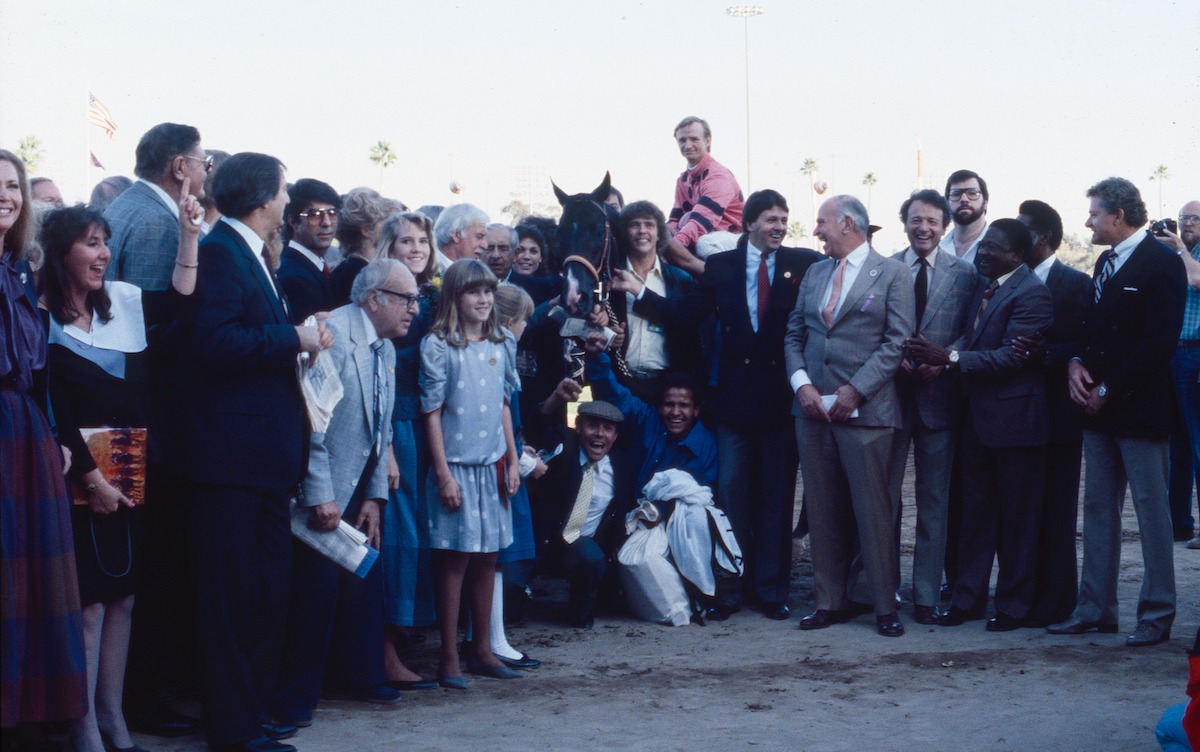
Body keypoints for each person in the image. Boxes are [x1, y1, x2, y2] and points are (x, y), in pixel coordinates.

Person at [178, 152, 329, 752]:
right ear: (262, 197)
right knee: (232, 601)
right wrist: (291, 336)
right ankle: (233, 731)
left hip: (262, 462)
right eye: (285, 192)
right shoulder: (219, 252)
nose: (289, 203)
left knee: (261, 596)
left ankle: (250, 716)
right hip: (229, 463)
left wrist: (299, 345)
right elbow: (212, 341)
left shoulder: (248, 255)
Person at [39, 196, 201, 752]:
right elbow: (50, 408)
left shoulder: (125, 303)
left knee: (124, 600)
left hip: (132, 468)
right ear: (61, 253)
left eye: (105, 241)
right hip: (77, 477)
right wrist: (91, 479)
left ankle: (113, 717)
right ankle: (81, 725)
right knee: (86, 606)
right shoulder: (38, 316)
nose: (103, 253)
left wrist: (187, 234)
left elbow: (181, 301)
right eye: (91, 242)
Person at [614, 189, 821, 621]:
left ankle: (771, 590)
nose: (779, 226)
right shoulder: (722, 267)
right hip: (732, 407)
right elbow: (685, 314)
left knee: (776, 500)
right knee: (730, 496)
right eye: (770, 219)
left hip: (780, 407)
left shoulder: (802, 264)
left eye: (784, 219)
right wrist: (639, 293)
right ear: (748, 224)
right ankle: (728, 588)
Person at [273, 259, 424, 727]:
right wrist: (321, 494)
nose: (415, 310)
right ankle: (293, 699)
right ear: (373, 297)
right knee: (314, 591)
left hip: (360, 481)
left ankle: (359, 675)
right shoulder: (332, 334)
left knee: (364, 578)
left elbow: (381, 428)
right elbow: (313, 423)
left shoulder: (388, 349)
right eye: (407, 299)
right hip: (321, 483)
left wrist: (375, 497)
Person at [1048, 177, 1185, 648]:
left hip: (1140, 412)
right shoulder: (1106, 261)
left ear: (1118, 216)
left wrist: (1109, 386)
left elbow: (1159, 342)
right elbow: (1092, 331)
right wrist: (1075, 364)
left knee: (1152, 515)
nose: (1087, 221)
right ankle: (1095, 609)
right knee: (1098, 509)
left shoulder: (1163, 263)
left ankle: (1157, 614)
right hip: (1097, 409)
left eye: (1093, 213)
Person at [908, 219, 1054, 631]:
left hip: (1016, 424)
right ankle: (967, 600)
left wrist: (949, 359)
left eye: (994, 247)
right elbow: (972, 340)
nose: (984, 252)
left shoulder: (1033, 295)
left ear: (1018, 256)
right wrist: (948, 354)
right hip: (976, 420)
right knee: (975, 516)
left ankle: (1012, 606)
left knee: (1017, 520)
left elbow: (1012, 357)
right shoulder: (983, 284)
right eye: (984, 245)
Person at [786, 195, 914, 638]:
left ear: (846, 223)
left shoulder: (894, 273)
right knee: (822, 510)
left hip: (868, 414)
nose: (816, 231)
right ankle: (829, 601)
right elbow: (794, 334)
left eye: (821, 222)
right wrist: (801, 383)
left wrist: (855, 390)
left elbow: (897, 342)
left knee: (873, 512)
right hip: (813, 412)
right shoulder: (816, 273)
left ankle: (882, 606)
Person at [0, 149, 88, 736]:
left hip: (22, 431)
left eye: (12, 185)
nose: (6, 195)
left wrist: (52, 432)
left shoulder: (18, 273)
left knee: (26, 582)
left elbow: (39, 367)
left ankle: (21, 717)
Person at [420, 259, 522, 687]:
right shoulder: (439, 345)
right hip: (458, 469)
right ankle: (448, 657)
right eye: (472, 292)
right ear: (454, 297)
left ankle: (482, 648)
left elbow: (503, 406)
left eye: (487, 292)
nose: (482, 300)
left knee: (488, 560)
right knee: (455, 563)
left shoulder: (501, 343)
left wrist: (513, 460)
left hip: (492, 467)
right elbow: (432, 411)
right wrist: (443, 474)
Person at [887, 190, 978, 625]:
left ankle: (926, 595)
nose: (924, 228)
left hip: (940, 400)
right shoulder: (883, 267)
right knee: (883, 498)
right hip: (888, 398)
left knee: (934, 501)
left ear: (944, 227)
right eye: (916, 220)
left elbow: (973, 331)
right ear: (904, 222)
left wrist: (944, 360)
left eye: (932, 221)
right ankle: (880, 589)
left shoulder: (965, 274)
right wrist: (896, 361)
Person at [1014, 199, 1092, 625]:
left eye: (1023, 229)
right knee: (1024, 510)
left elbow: (1087, 345)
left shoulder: (1075, 284)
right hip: (1014, 419)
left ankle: (1058, 601)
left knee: (1057, 512)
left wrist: (1049, 354)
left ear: (1042, 237)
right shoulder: (1009, 282)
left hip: (1060, 417)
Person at [377, 211, 440, 689]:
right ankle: (383, 651)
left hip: (426, 422)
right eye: (405, 241)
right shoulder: (377, 298)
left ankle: (407, 637)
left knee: (419, 532)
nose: (416, 248)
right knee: (394, 533)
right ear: (388, 249)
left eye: (422, 240)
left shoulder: (435, 299)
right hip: (393, 423)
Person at [527, 399, 636, 629]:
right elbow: (536, 427)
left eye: (607, 428)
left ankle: (580, 613)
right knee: (508, 601)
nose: (599, 434)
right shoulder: (564, 447)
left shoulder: (622, 468)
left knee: (593, 559)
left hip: (580, 544)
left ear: (615, 436)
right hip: (539, 542)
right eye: (592, 426)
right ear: (577, 427)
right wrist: (556, 396)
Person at [486, 283, 541, 669]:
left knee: (497, 560)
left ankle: (493, 637)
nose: (526, 328)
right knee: (494, 559)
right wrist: (522, 461)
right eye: (524, 321)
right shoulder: (500, 350)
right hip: (499, 467)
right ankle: (491, 640)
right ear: (509, 322)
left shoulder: (504, 349)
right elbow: (498, 414)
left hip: (510, 457)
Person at [609, 200, 702, 403]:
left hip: (666, 389)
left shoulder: (681, 280)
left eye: (649, 225)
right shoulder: (610, 278)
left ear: (660, 234)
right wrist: (609, 335)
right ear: (625, 232)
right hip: (619, 383)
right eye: (635, 224)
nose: (642, 231)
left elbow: (687, 327)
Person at [104, 122, 208, 291]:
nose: (207, 171)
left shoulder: (127, 202)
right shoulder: (159, 223)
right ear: (179, 167)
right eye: (205, 162)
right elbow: (152, 310)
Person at [1157, 200, 1200, 547]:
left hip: (1196, 353)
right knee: (1178, 445)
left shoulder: (1191, 256)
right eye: (1184, 217)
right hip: (1173, 354)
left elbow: (1197, 279)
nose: (1187, 223)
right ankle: (1179, 524)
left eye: (1195, 218)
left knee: (1198, 442)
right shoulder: (1178, 253)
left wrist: (1183, 251)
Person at [664, 116, 744, 276]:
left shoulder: (718, 176)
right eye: (682, 140)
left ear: (707, 140)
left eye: (694, 139)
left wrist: (672, 248)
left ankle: (724, 283)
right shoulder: (683, 179)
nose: (687, 145)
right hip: (709, 233)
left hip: (736, 239)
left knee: (703, 244)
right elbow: (674, 220)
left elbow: (701, 222)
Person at [277, 179, 341, 322]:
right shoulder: (295, 277)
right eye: (315, 215)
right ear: (293, 222)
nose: (326, 223)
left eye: (332, 213)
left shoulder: (315, 266)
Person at [329, 187, 398, 306]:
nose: (389, 226)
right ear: (366, 230)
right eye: (383, 220)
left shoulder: (346, 267)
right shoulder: (361, 273)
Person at [938, 169, 990, 265]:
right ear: (947, 203)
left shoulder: (1001, 246)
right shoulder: (938, 249)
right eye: (956, 193)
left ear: (985, 202)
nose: (964, 199)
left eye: (972, 193)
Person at [431, 203, 489, 272]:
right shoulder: (427, 270)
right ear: (456, 235)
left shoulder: (473, 271)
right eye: (479, 237)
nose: (485, 245)